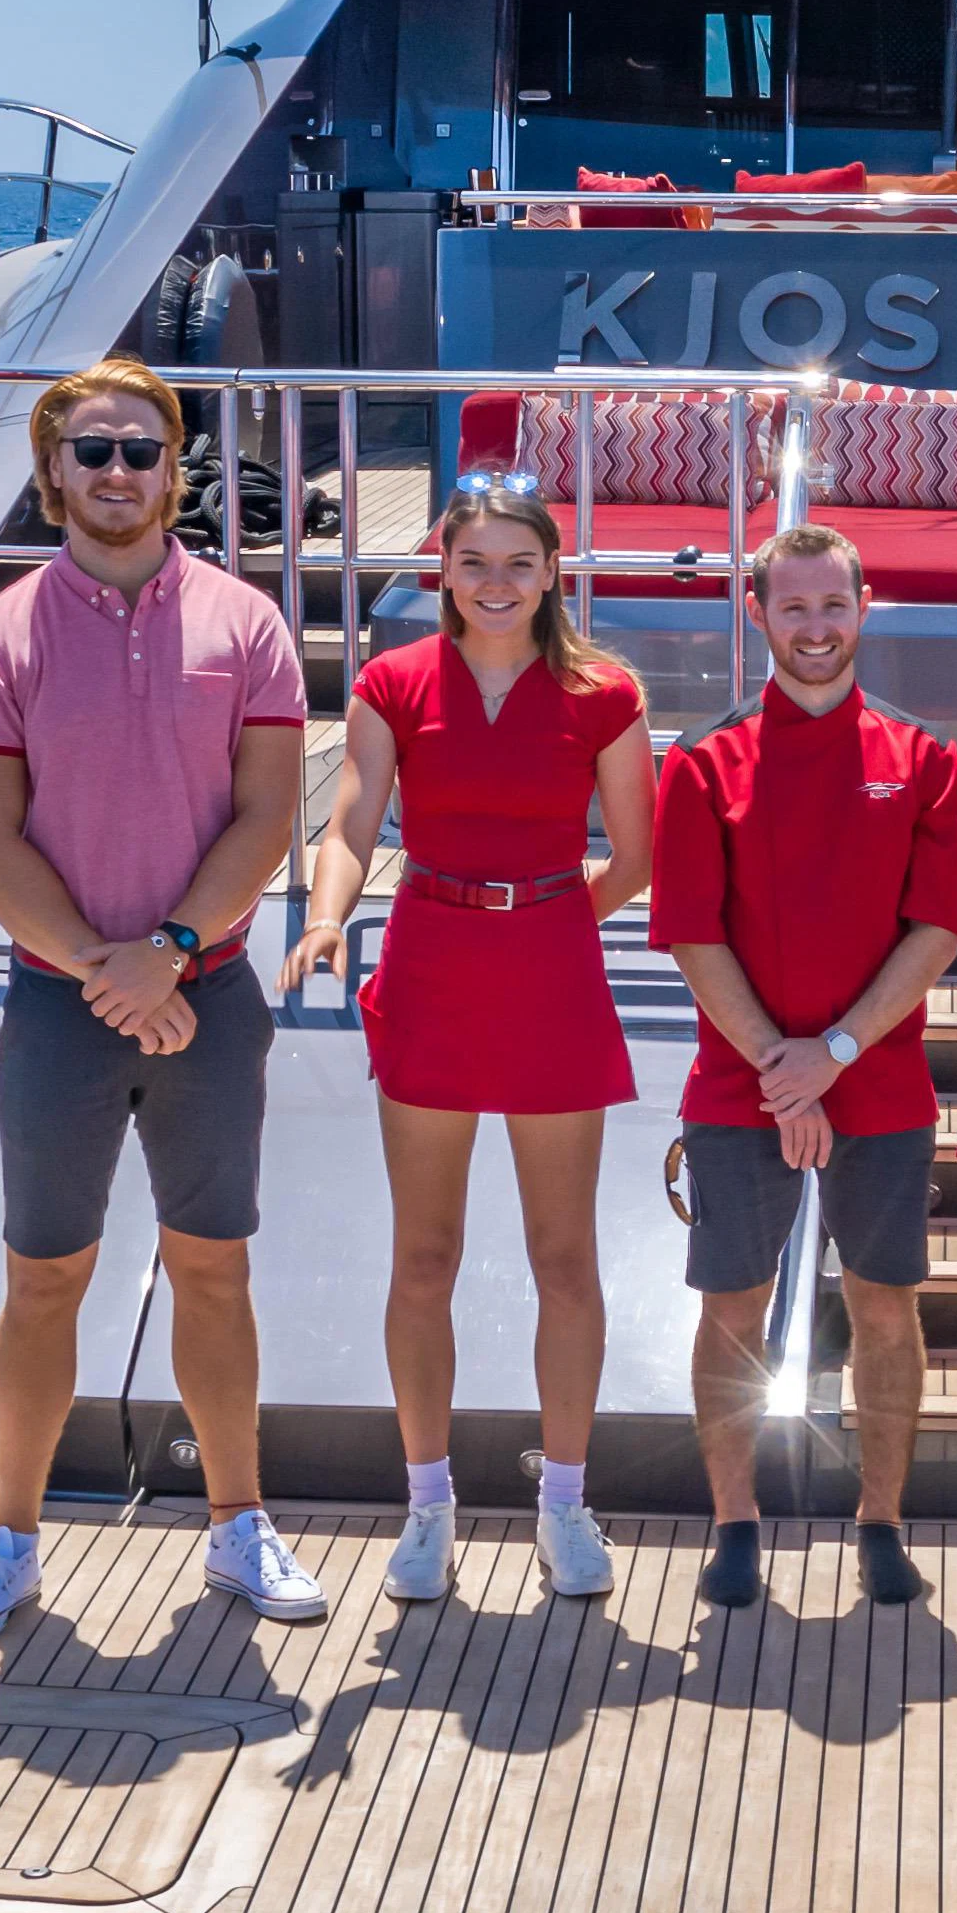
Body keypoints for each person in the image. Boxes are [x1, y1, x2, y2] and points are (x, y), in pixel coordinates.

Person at [0, 357, 326, 1645]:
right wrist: (111, 976)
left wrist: (165, 948)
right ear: (51, 477)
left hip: (205, 993)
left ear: (173, 470)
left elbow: (270, 816)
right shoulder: (0, 637)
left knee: (215, 1272)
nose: (115, 473)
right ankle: (11, 1541)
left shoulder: (245, 626)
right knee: (44, 1278)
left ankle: (234, 1526)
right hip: (64, 1010)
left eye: (138, 450)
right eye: (90, 452)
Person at [290, 480, 654, 1606]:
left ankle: (564, 1503)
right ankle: (428, 1503)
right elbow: (351, 821)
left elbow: (635, 860)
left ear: (554, 571)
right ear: (440, 566)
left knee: (563, 1259)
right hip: (431, 969)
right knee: (424, 1258)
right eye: (474, 561)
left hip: (548, 975)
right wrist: (323, 914)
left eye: (518, 562)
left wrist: (537, 919)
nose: (495, 582)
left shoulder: (604, 693)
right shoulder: (392, 684)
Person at [650, 526, 957, 1611]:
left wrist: (828, 1058)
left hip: (873, 1076)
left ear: (864, 606)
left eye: (834, 605)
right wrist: (780, 1073)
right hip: (741, 1082)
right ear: (759, 615)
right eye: (794, 608)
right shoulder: (702, 762)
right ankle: (735, 1518)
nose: (817, 628)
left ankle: (878, 1515)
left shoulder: (921, 760)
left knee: (885, 1303)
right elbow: (693, 933)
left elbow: (933, 930)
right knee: (732, 1301)